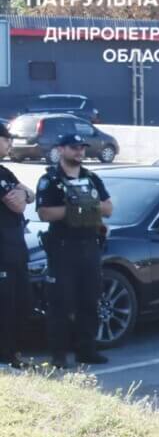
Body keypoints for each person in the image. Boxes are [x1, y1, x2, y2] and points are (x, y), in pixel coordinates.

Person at [35, 133, 112, 368]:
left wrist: (84, 208)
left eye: (82, 147)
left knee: (89, 300)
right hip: (62, 248)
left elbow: (108, 208)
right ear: (61, 150)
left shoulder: (92, 178)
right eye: (74, 147)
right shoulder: (50, 179)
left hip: (89, 246)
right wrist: (77, 209)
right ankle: (59, 354)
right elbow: (45, 213)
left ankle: (86, 350)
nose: (79, 151)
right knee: (60, 303)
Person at [0, 128, 34, 369]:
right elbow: (17, 206)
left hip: (15, 251)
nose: (10, 144)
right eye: (6, 140)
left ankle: (12, 355)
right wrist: (22, 195)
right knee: (5, 306)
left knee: (19, 303)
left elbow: (29, 194)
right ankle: (5, 358)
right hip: (3, 253)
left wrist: (22, 192)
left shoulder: (5, 171)